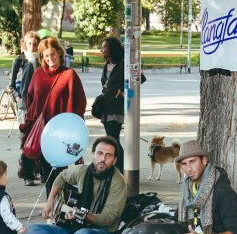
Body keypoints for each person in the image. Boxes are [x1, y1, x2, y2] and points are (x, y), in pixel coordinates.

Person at [14, 136, 127, 234]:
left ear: (115, 160)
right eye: (100, 153)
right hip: (73, 229)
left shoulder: (118, 182)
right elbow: (62, 177)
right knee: (30, 230)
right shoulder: (83, 171)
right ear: (93, 154)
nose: (103, 159)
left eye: (108, 155)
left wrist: (82, 215)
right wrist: (50, 201)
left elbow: (108, 219)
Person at [19, 36, 87, 196]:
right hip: (42, 133)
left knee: (59, 173)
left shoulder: (69, 75)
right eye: (46, 56)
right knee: (48, 174)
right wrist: (29, 124)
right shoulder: (37, 75)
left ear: (60, 53)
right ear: (42, 57)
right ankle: (53, 207)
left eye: (53, 54)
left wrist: (75, 129)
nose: (50, 59)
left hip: (62, 134)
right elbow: (30, 100)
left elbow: (80, 103)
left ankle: (57, 207)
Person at [99, 37, 145, 173]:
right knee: (112, 138)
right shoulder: (106, 65)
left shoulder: (124, 64)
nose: (101, 50)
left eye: (104, 47)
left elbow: (140, 79)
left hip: (117, 108)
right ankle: (120, 168)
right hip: (106, 107)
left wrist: (125, 93)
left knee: (113, 139)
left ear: (112, 49)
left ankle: (122, 167)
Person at [11, 31, 40, 186]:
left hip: (39, 107)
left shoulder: (41, 60)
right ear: (25, 44)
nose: (33, 46)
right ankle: (27, 172)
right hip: (25, 106)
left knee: (39, 139)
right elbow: (13, 85)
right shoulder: (20, 60)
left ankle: (37, 170)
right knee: (27, 138)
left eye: (35, 43)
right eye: (30, 43)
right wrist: (20, 101)